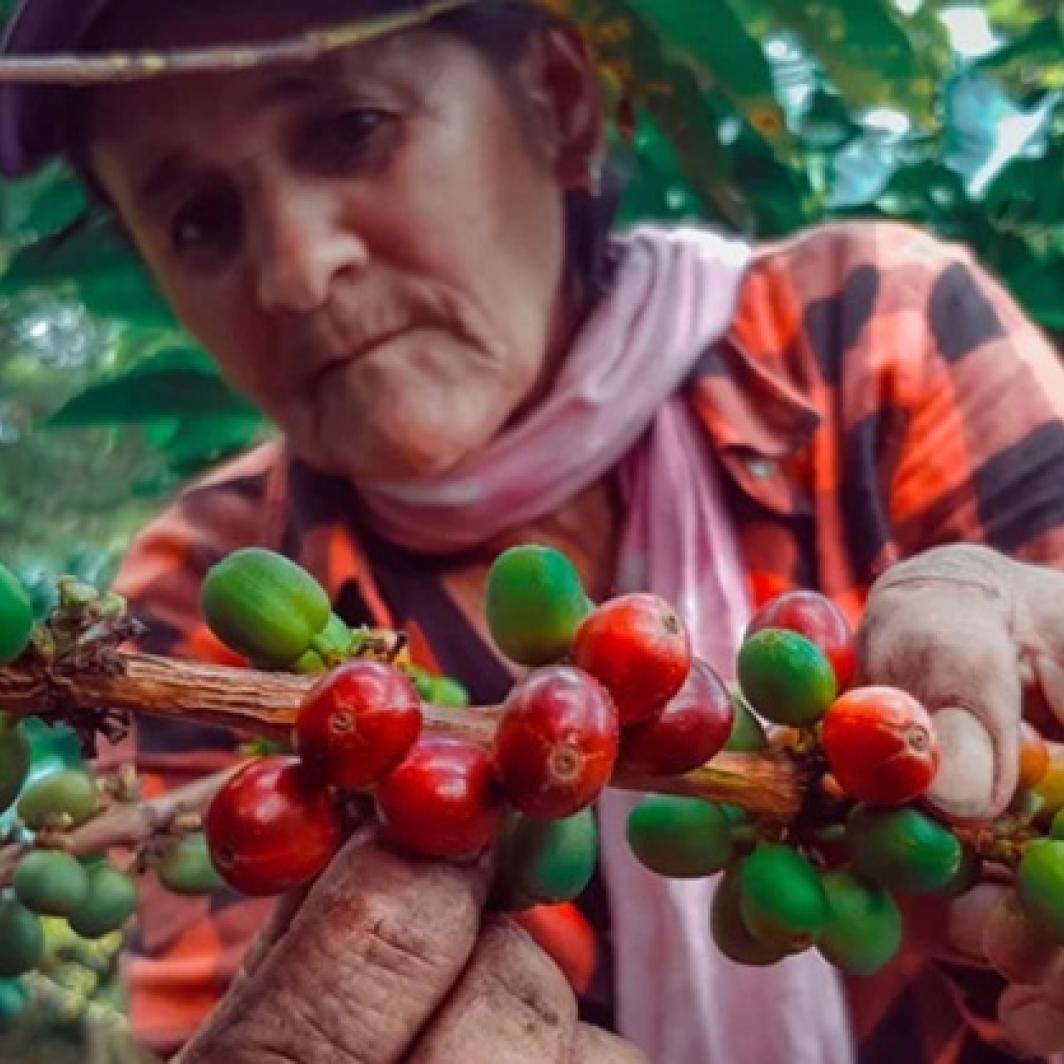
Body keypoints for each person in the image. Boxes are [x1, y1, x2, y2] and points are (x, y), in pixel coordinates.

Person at [2, 0, 1063, 1060]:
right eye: (196, 217)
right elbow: (233, 988)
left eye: (352, 128)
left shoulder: (870, 332)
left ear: (557, 101)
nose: (296, 270)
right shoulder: (200, 585)